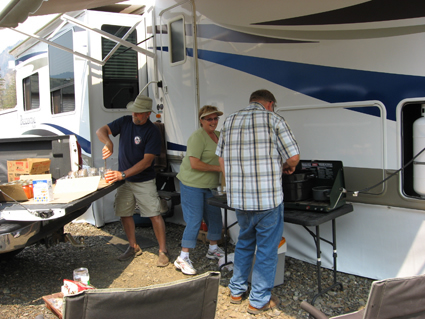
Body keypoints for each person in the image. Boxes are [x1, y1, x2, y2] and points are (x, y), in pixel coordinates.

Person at [216, 89, 300, 315]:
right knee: (266, 250)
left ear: (252, 101)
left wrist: (231, 184)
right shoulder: (275, 120)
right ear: (270, 103)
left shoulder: (230, 120)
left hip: (240, 199)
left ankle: (235, 291)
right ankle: (258, 300)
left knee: (244, 242)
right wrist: (283, 166)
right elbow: (293, 158)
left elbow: (221, 157)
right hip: (267, 199)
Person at [96, 93, 169, 267]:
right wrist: (108, 143)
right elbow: (101, 130)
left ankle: (163, 251)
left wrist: (122, 174)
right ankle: (133, 246)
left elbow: (146, 162)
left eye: (138, 113)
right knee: (124, 212)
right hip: (125, 180)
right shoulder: (125, 121)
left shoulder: (152, 132)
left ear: (147, 114)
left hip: (143, 180)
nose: (134, 115)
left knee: (154, 214)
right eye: (133, 112)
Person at [174, 105, 225, 275]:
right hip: (192, 184)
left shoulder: (218, 135)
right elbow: (194, 164)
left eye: (215, 118)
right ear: (201, 120)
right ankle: (182, 257)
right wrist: (219, 169)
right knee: (194, 219)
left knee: (215, 216)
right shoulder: (197, 137)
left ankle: (213, 248)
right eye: (209, 119)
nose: (213, 122)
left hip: (210, 184)